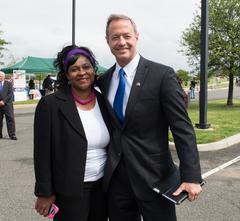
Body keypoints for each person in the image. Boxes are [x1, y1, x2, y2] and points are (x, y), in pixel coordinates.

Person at [97, 14, 203, 221]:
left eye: (126, 35)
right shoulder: (104, 80)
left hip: (155, 178)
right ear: (107, 41)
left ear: (136, 36)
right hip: (117, 182)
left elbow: (182, 128)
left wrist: (191, 177)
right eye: (114, 37)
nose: (121, 42)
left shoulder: (162, 75)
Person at [34, 45, 110, 221]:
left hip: (103, 188)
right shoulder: (50, 104)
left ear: (93, 69)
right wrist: (45, 192)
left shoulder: (104, 101)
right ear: (67, 74)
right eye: (74, 69)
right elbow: (42, 153)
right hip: (68, 191)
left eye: (86, 67)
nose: (82, 72)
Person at [0, 71, 17, 140]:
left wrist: (3, 101)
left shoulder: (9, 83)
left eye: (0, 76)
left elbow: (10, 94)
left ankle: (12, 135)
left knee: (10, 119)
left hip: (7, 105)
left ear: (4, 77)